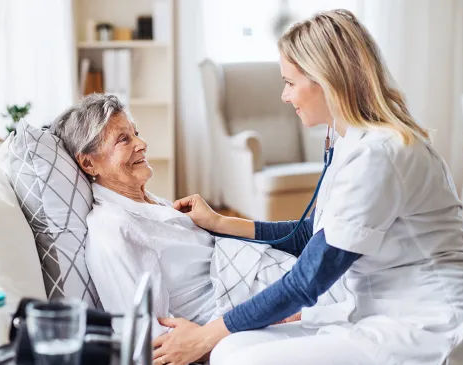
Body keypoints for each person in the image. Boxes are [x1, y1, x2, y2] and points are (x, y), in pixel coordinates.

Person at [151, 9, 463, 365]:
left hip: (433, 329)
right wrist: (221, 223)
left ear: (326, 80)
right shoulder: (352, 141)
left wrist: (204, 335)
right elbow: (311, 234)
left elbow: (307, 280)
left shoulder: (380, 154)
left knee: (233, 356)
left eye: (289, 82)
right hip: (380, 312)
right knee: (229, 349)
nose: (285, 96)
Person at [50, 93, 327, 343]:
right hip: (261, 312)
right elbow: (151, 336)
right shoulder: (113, 230)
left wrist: (216, 223)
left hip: (288, 282)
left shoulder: (152, 203)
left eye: (136, 133)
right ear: (88, 163)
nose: (142, 144)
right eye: (124, 139)